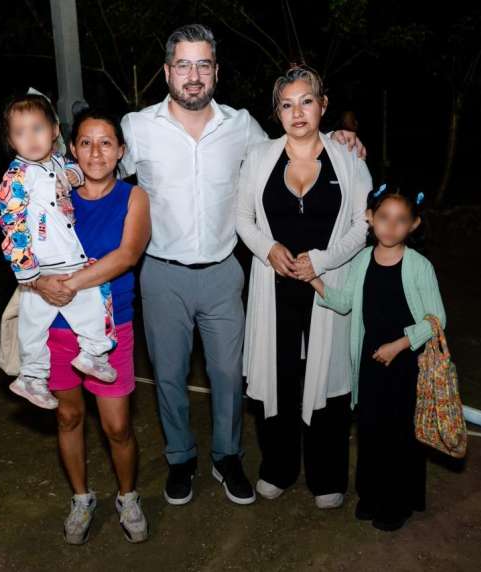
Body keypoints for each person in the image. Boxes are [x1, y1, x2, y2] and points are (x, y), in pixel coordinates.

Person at [121, 24, 365, 506]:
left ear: (216, 71)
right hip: (161, 272)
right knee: (168, 376)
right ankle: (180, 459)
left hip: (223, 272)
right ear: (167, 72)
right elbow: (100, 170)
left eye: (203, 65)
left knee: (231, 376)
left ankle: (227, 456)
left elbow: (292, 142)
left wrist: (340, 136)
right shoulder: (136, 127)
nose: (194, 75)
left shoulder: (243, 127)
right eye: (184, 65)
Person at [236, 65, 372, 509]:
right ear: (277, 113)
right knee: (277, 378)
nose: (297, 113)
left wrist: (324, 261)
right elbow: (242, 219)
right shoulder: (259, 157)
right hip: (273, 286)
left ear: (323, 105)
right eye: (287, 105)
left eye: (306, 101)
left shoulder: (348, 158)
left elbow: (363, 224)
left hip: (327, 287)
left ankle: (327, 475)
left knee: (328, 379)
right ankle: (277, 467)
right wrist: (268, 248)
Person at [32, 110, 152, 543]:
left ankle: (127, 496)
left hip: (111, 328)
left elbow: (127, 256)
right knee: (68, 417)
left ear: (121, 151)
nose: (96, 152)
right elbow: (25, 247)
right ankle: (81, 498)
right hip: (58, 325)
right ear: (71, 149)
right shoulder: (50, 194)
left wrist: (69, 283)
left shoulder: (133, 198)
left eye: (106, 143)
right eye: (86, 142)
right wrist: (38, 282)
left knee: (117, 426)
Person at [310, 186, 445, 531]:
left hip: (406, 364)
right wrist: (314, 280)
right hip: (370, 362)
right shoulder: (361, 261)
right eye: (384, 217)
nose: (391, 226)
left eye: (401, 220)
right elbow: (344, 303)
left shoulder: (419, 266)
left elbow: (436, 320)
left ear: (414, 225)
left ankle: (397, 502)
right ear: (370, 218)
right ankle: (370, 495)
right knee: (370, 429)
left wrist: (399, 345)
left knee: (399, 432)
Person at [0, 93, 117, 410]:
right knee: (33, 323)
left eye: (37, 129)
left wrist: (77, 174)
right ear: (11, 141)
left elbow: (73, 173)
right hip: (40, 262)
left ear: (54, 131)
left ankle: (93, 352)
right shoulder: (17, 176)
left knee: (90, 300)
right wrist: (27, 271)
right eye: (20, 133)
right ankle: (32, 376)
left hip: (70, 254)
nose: (30, 138)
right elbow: (11, 224)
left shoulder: (58, 163)